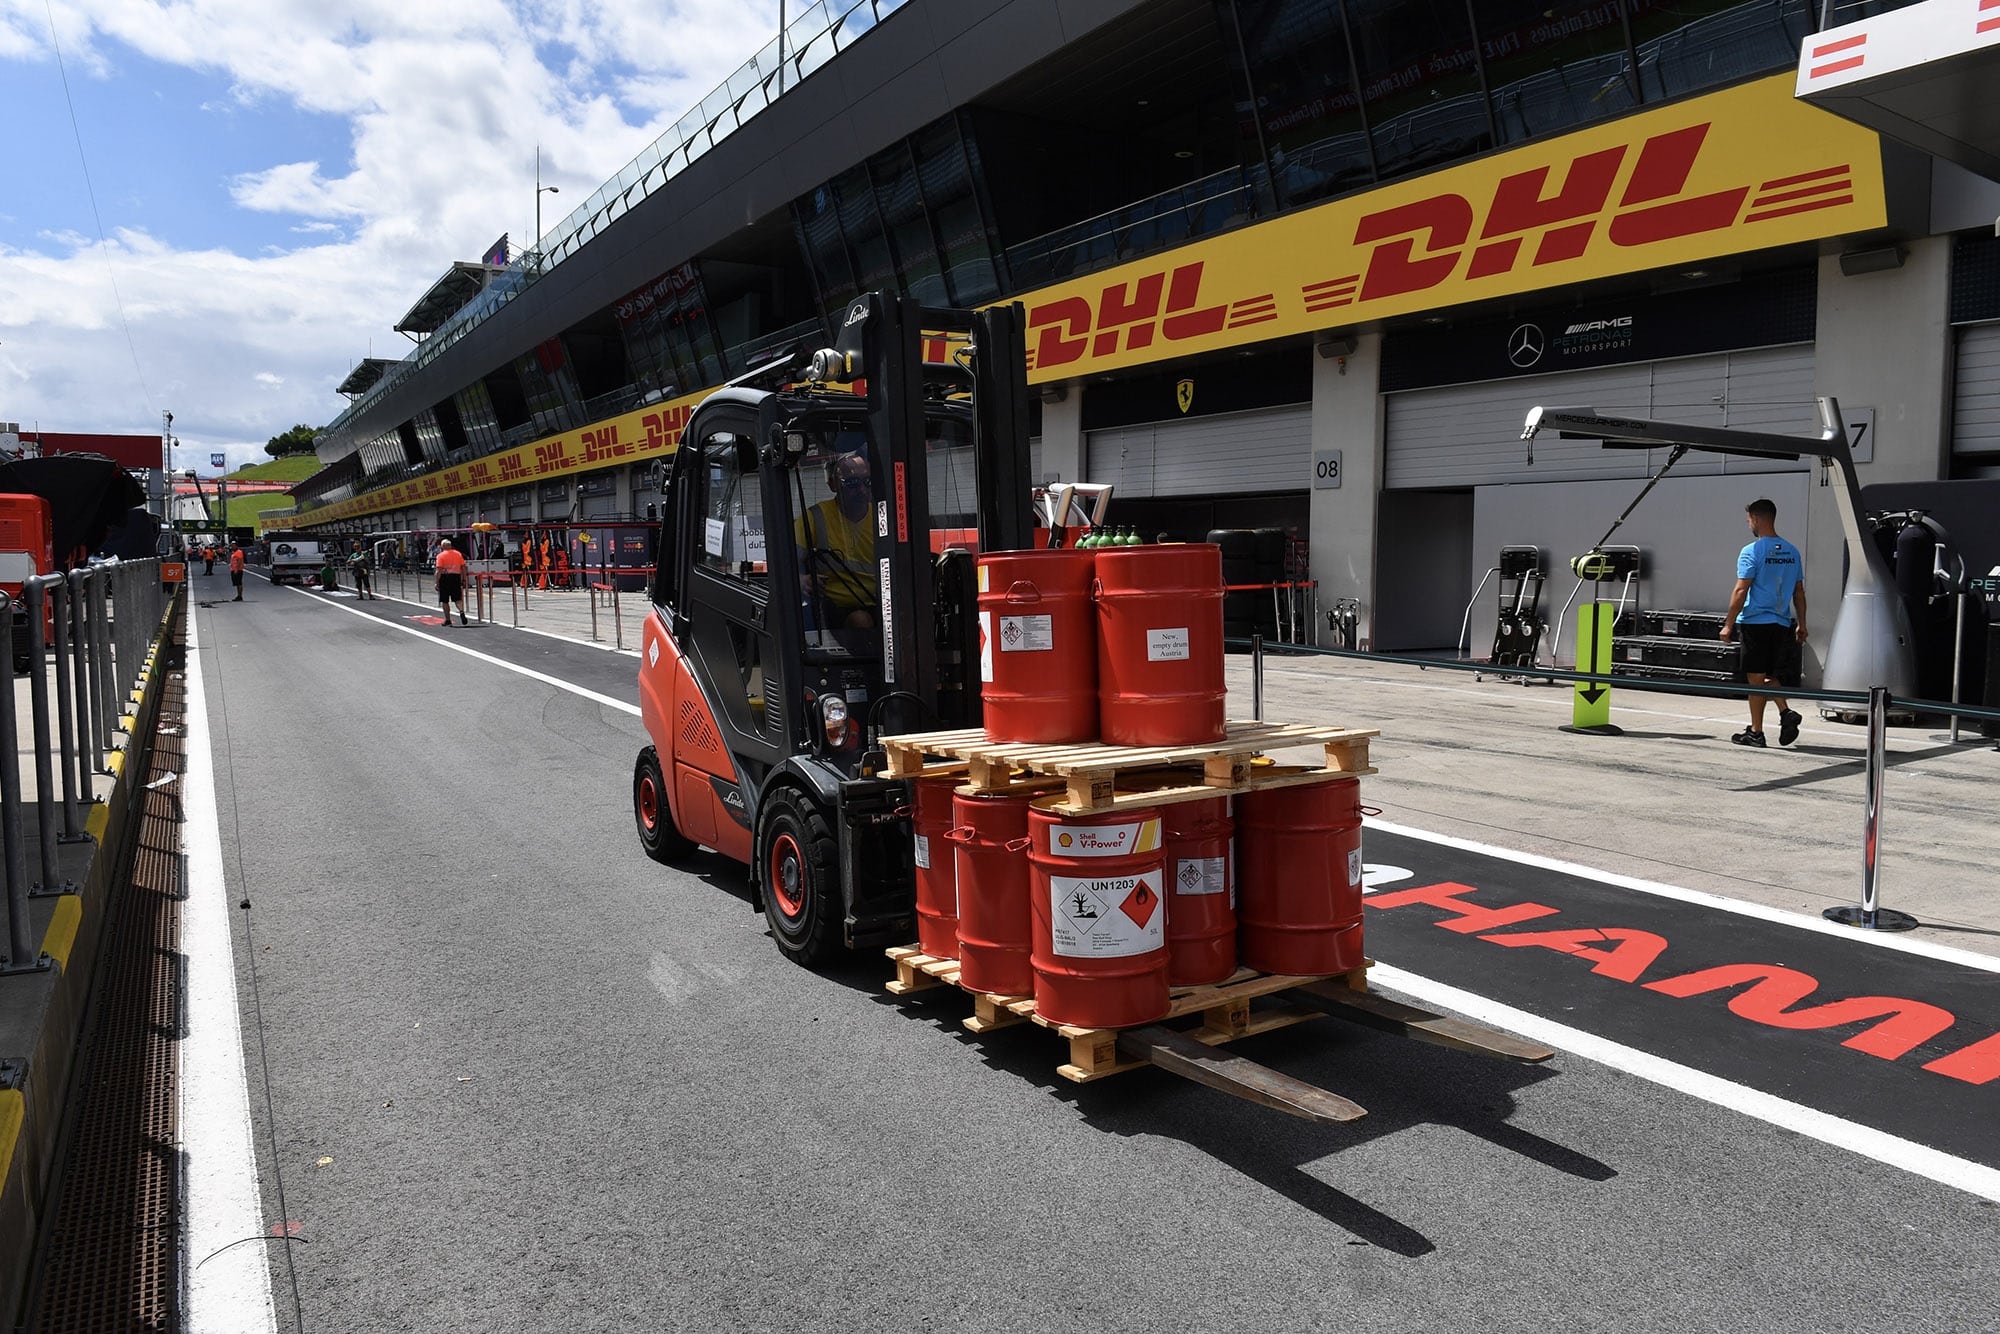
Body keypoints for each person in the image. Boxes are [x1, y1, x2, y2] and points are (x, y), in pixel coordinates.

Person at [1719, 497, 1807, 748]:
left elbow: (1741, 590)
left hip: (1756, 623)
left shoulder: (1751, 551)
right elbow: (1799, 592)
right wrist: (1802, 624)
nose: (1749, 524)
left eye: (1749, 520)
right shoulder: (1792, 551)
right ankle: (1785, 713)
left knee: (1755, 680)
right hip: (1781, 623)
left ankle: (1756, 732)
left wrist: (1728, 623)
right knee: (1767, 675)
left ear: (1756, 519)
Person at [795, 452, 877, 629]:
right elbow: (785, 565)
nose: (862, 490)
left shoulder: (883, 518)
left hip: (882, 605)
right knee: (861, 621)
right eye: (852, 483)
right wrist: (802, 580)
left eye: (867, 482)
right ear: (833, 484)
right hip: (832, 610)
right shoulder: (815, 518)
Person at [435, 538, 470, 626]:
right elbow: (463, 567)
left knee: (445, 600)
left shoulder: (440, 556)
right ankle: (461, 611)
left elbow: (438, 570)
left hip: (445, 578)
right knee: (457, 598)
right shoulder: (458, 554)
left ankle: (448, 619)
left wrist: (437, 582)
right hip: (456, 577)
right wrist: (464, 579)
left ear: (443, 546)